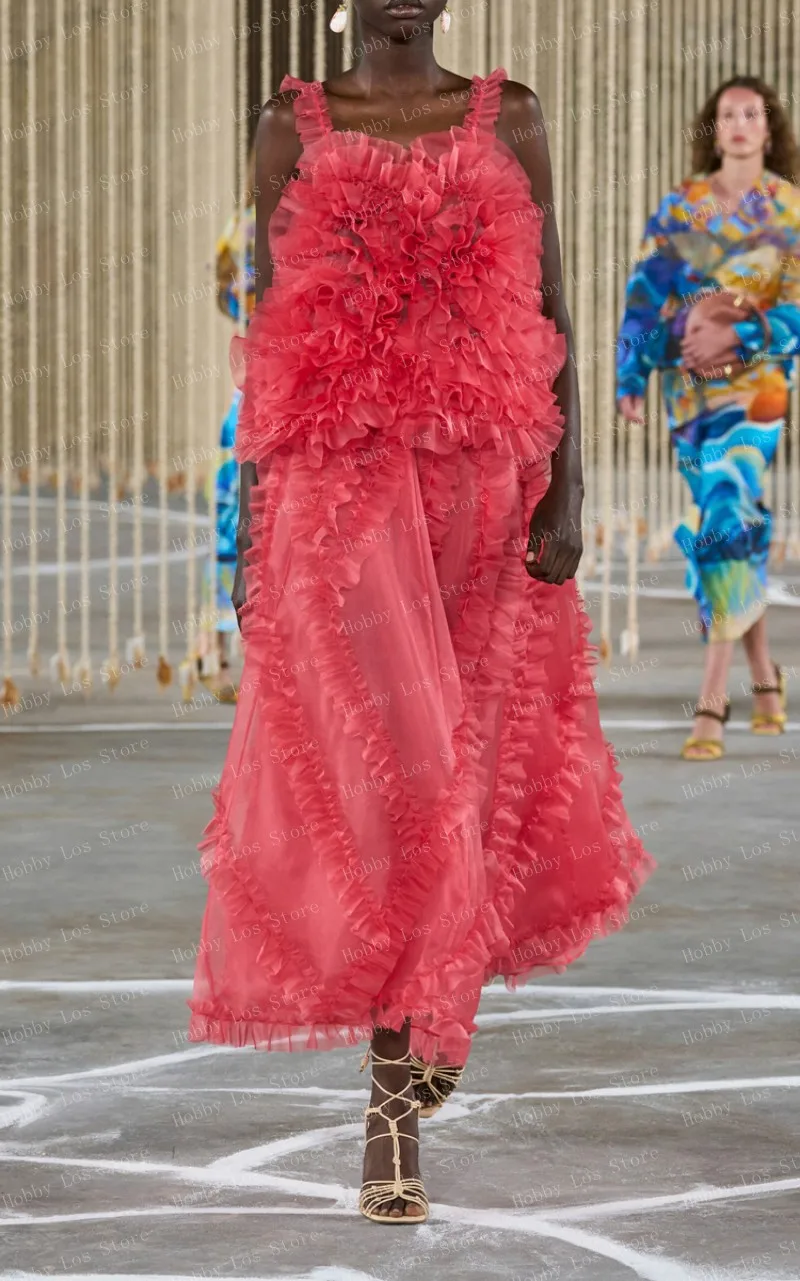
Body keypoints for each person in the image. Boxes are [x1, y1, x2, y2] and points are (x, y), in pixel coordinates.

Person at [188, 0, 653, 1224]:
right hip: (338, 489)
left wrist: (568, 495)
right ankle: (387, 1126)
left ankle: (431, 1005)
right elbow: (272, 337)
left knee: (477, 765)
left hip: (485, 486)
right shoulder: (286, 127)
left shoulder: (516, 117)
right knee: (393, 776)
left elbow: (552, 301)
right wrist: (247, 527)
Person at [617, 76, 800, 760]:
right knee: (734, 526)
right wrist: (632, 373)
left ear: (769, 126)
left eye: (752, 113)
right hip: (688, 392)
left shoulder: (790, 210)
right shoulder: (682, 206)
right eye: (728, 114)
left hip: (757, 395)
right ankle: (766, 677)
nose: (741, 124)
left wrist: (741, 334)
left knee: (726, 510)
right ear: (715, 126)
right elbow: (644, 295)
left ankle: (714, 697)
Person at [199, 158, 256, 702]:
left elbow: (225, 298)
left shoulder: (238, 225)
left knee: (228, 523)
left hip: (243, 395)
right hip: (281, 394)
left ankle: (217, 648)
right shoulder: (305, 222)